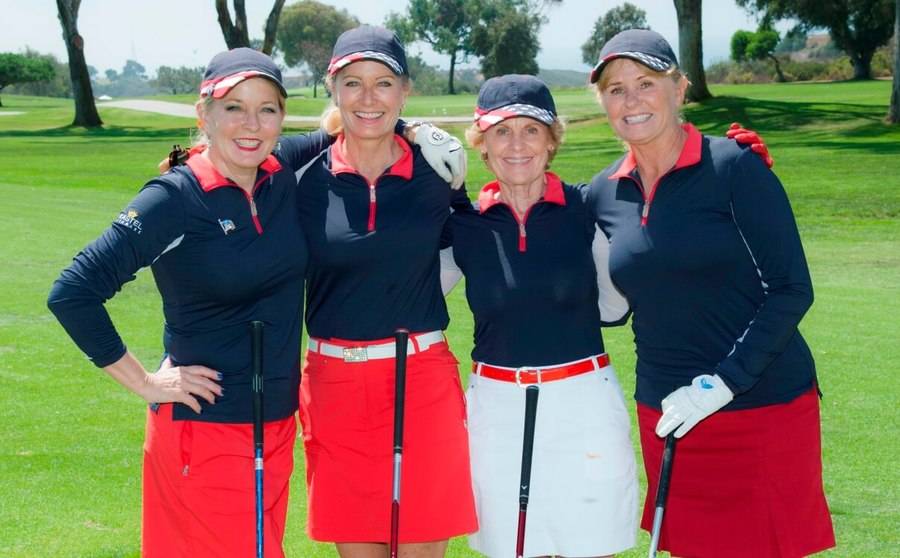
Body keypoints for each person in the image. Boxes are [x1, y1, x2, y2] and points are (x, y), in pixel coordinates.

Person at [47, 47, 464, 558]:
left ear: (281, 119)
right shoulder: (174, 197)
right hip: (205, 427)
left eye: (266, 109)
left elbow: (363, 119)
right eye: (233, 108)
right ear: (204, 114)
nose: (251, 123)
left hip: (273, 424)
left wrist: (417, 129)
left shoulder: (277, 174)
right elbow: (73, 291)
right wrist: (146, 381)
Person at [587, 29, 835, 557]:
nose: (631, 100)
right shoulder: (601, 193)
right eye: (615, 89)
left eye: (646, 82)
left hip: (759, 404)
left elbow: (792, 288)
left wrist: (721, 385)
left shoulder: (734, 168)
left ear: (679, 89)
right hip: (668, 414)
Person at [293, 25, 477, 558]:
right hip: (334, 384)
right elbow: (235, 161)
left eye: (383, 83)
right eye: (353, 83)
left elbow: (464, 242)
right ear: (333, 88)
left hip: (421, 379)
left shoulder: (435, 170)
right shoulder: (301, 174)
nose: (368, 98)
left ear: (405, 91)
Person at [441, 74, 638, 558]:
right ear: (481, 145)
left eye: (531, 130)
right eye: (501, 132)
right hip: (498, 404)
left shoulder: (586, 209)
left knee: (588, 544)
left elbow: (617, 304)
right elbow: (405, 294)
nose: (516, 145)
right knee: (510, 547)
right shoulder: (463, 223)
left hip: (583, 401)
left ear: (552, 141)